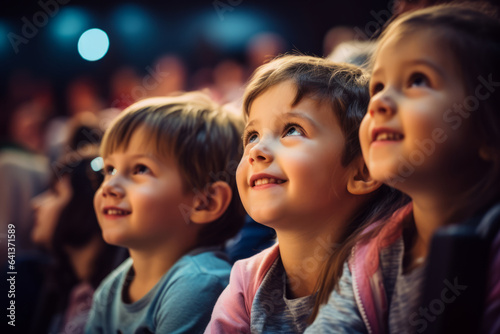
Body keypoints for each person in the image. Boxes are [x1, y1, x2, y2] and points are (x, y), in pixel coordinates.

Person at [307, 4, 500, 333]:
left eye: (418, 80)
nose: (379, 102)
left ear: (489, 130)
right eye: (378, 86)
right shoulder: (374, 248)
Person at [205, 55, 405, 333]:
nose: (256, 151)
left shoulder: (386, 263)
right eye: (252, 135)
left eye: (292, 130)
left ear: (363, 172)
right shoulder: (246, 280)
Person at [85, 92, 246, 333]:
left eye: (140, 169)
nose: (109, 186)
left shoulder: (199, 283)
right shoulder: (112, 288)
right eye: (110, 169)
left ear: (205, 203)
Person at [29, 151, 125, 334]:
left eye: (55, 193)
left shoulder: (115, 299)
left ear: (85, 206)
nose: (36, 203)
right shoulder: (56, 286)